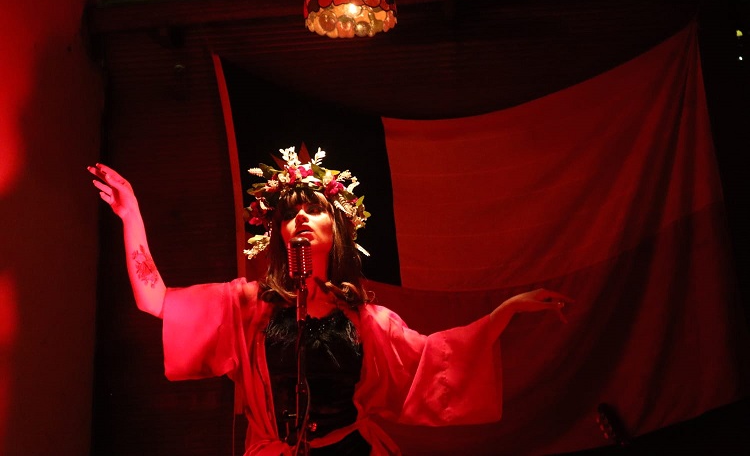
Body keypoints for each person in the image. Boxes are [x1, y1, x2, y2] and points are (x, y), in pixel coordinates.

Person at [88, 145, 572, 456]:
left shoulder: (367, 322)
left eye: (313, 209)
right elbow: (155, 299)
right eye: (290, 213)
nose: (300, 217)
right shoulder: (246, 306)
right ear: (279, 233)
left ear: (335, 229)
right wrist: (132, 217)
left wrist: (505, 312)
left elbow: (435, 360)